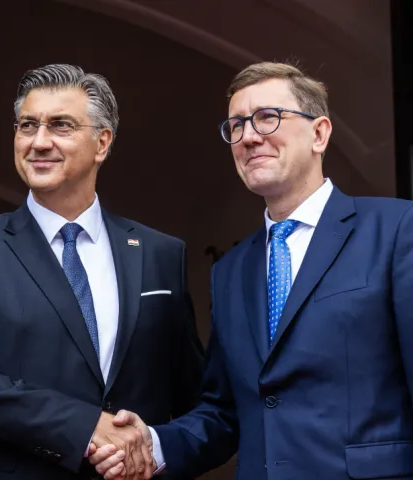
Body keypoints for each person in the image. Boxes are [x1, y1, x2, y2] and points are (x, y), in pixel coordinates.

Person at [89, 62, 413, 480]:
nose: (249, 136)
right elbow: (225, 412)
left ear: (319, 134)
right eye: (237, 125)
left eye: (267, 117)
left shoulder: (397, 230)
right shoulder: (230, 271)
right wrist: (152, 444)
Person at [0, 64, 204, 480]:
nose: (39, 142)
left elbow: (198, 402)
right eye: (28, 126)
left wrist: (155, 448)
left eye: (61, 125)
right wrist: (83, 427)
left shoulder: (160, 254)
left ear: (102, 142)